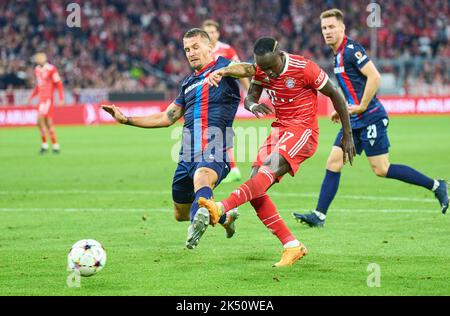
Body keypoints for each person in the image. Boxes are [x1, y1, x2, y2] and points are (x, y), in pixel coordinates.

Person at [199, 37, 355, 267]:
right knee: (256, 187)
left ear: (280, 54)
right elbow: (250, 96)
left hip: (303, 131)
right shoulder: (262, 69)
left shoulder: (305, 68)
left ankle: (222, 207)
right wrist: (252, 105)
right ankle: (291, 245)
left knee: (265, 174)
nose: (268, 74)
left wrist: (347, 135)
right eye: (264, 69)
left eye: (271, 68)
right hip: (279, 130)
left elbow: (336, 95)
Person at [292, 9, 449, 228]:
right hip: (354, 120)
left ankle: (437, 185)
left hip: (371, 117)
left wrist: (362, 106)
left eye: (331, 27)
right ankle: (319, 215)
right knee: (334, 162)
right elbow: (351, 89)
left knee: (381, 169)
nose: (327, 31)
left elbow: (374, 76)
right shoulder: (337, 54)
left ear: (342, 28)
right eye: (324, 28)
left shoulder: (350, 50)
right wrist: (345, 110)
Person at [101, 28, 240, 249]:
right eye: (187, 49)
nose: (191, 53)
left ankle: (199, 219)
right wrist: (126, 119)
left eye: (196, 47)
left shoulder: (225, 67)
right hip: (186, 154)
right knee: (180, 213)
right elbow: (167, 117)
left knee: (202, 178)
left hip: (215, 145)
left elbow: (252, 70)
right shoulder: (188, 83)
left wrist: (226, 71)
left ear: (210, 46)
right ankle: (224, 215)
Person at [202, 19, 250, 183]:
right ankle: (227, 166)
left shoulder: (227, 50)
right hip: (208, 98)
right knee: (216, 132)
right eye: (207, 32)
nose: (210, 34)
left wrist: (249, 93)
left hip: (225, 98)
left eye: (213, 31)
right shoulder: (201, 51)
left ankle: (230, 168)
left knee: (219, 132)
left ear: (218, 33)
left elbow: (240, 70)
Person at [27, 53, 64, 154]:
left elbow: (58, 84)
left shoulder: (51, 69)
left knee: (40, 120)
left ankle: (46, 145)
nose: (39, 60)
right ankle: (54, 146)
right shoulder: (37, 69)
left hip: (48, 99)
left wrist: (61, 97)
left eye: (40, 58)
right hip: (41, 99)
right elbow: (39, 86)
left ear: (45, 59)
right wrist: (31, 96)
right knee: (46, 123)